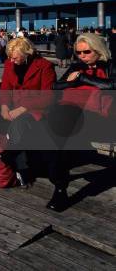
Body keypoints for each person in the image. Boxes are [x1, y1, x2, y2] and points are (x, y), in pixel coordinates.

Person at [49, 33, 114, 211]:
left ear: (98, 50)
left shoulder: (111, 66)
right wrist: (72, 83)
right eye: (79, 52)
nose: (82, 56)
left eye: (86, 52)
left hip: (102, 118)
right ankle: (60, 187)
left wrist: (82, 79)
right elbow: (55, 86)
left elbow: (111, 85)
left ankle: (58, 179)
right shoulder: (77, 66)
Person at [0, 37, 57, 190]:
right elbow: (5, 89)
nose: (11, 60)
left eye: (15, 57)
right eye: (9, 57)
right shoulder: (9, 65)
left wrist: (22, 108)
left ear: (27, 53)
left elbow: (47, 96)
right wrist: (4, 106)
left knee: (19, 124)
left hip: (36, 109)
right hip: (14, 107)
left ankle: (22, 169)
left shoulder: (45, 66)